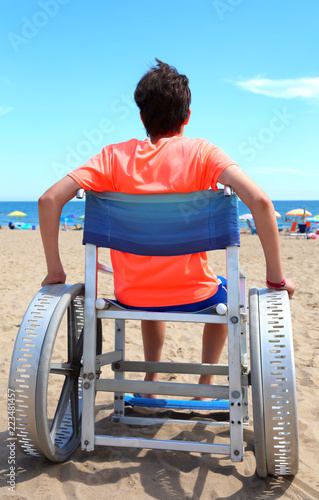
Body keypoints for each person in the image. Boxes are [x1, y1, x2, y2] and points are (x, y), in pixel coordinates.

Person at [39, 59, 295, 399]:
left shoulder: (113, 157)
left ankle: (150, 381)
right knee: (228, 290)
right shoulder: (203, 153)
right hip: (196, 295)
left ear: (142, 117)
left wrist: (55, 270)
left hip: (133, 295)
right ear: (187, 116)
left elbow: (48, 200)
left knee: (151, 287)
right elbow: (261, 203)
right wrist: (276, 279)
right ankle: (205, 386)